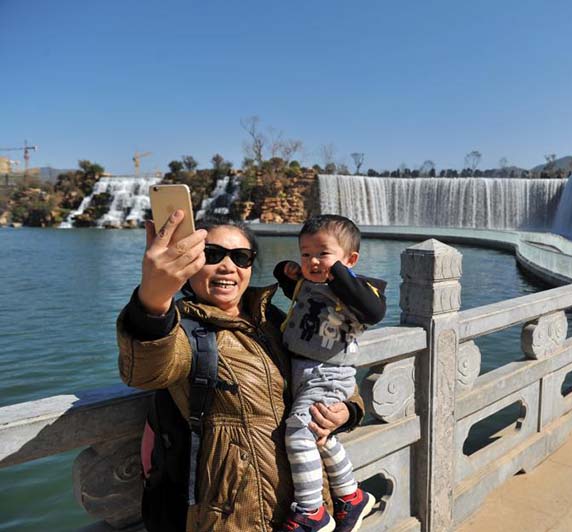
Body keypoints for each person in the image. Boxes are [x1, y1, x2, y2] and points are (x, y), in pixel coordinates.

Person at [117, 211, 364, 531]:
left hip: (313, 513)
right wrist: (153, 298)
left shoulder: (279, 321)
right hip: (237, 518)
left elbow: (330, 369)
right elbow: (146, 369)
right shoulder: (184, 332)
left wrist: (347, 411)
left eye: (241, 257)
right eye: (212, 254)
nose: (227, 266)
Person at [273, 215, 386, 532]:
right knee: (320, 435)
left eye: (323, 253)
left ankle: (311, 512)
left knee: (299, 430)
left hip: (329, 373)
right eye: (306, 254)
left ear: (350, 260)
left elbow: (374, 312)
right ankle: (352, 496)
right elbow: (283, 280)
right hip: (304, 372)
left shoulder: (360, 291)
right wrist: (287, 270)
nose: (313, 261)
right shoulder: (311, 285)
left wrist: (339, 272)